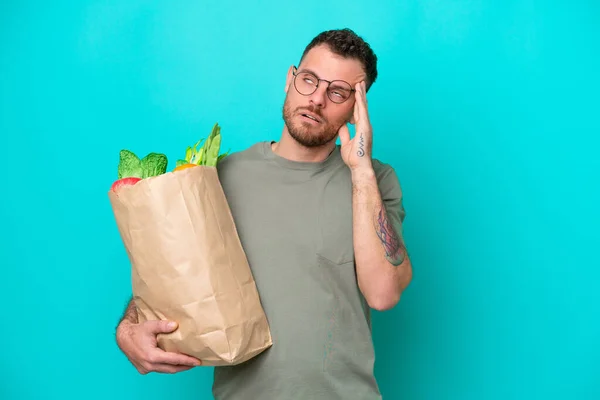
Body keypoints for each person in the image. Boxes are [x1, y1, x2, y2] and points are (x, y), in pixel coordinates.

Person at [115, 28, 413, 399]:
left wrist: (362, 169)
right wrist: (129, 328)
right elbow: (169, 276)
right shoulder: (219, 176)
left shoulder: (375, 181)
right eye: (309, 80)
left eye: (337, 92)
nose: (317, 99)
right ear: (290, 80)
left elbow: (383, 294)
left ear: (358, 106)